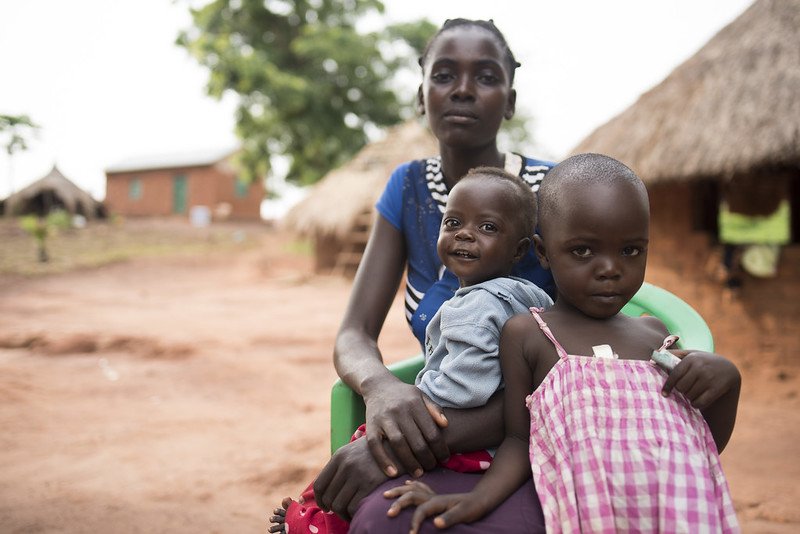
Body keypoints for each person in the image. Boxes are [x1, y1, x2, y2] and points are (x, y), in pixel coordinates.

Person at [270, 17, 556, 533]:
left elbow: (564, 365)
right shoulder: (407, 188)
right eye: (444, 75)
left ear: (510, 100)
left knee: (385, 516)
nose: (464, 90)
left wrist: (397, 446)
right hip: (431, 425)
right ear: (421, 96)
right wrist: (381, 390)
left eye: (486, 77)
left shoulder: (547, 192)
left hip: (529, 440)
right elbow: (354, 334)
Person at [383, 153, 741, 533]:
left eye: (631, 250)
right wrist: (476, 501)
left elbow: (699, 445)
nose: (610, 268)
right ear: (542, 252)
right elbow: (519, 441)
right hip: (589, 514)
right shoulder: (528, 335)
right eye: (583, 250)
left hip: (676, 513)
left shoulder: (655, 335)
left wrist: (728, 383)